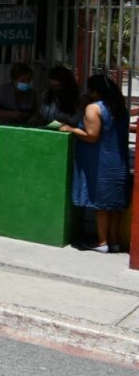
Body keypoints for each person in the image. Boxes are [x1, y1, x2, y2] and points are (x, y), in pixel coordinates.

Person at [62, 75, 130, 253]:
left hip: (100, 162)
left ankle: (102, 242)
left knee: (101, 204)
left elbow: (92, 135)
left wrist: (72, 129)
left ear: (95, 91)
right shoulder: (121, 109)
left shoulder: (93, 108)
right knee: (114, 204)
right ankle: (114, 241)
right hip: (118, 161)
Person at [0, 62, 39, 221]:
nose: (26, 83)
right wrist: (11, 114)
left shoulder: (31, 94)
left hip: (20, 139)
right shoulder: (0, 91)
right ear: (14, 79)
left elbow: (35, 111)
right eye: (23, 79)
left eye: (29, 80)